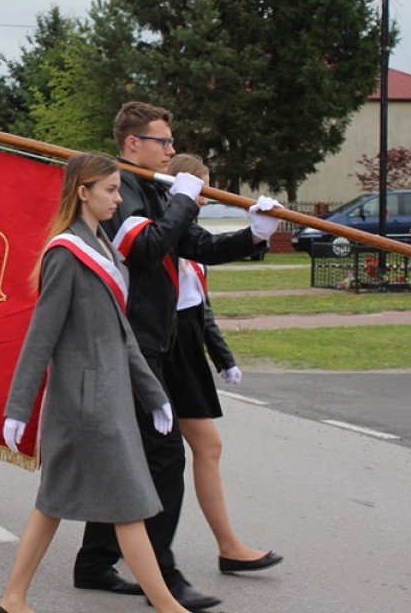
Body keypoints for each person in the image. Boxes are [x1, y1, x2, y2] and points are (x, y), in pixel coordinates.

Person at [72, 101, 279, 611]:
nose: (170, 149)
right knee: (164, 456)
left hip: (156, 341)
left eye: (170, 141)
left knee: (135, 454)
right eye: (162, 141)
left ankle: (95, 562)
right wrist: (184, 198)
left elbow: (197, 246)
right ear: (133, 143)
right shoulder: (119, 190)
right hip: (127, 345)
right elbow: (146, 250)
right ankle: (160, 576)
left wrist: (255, 234)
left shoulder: (157, 190)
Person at [0, 153, 189, 613]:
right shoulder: (66, 252)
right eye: (110, 190)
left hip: (108, 399)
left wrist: (153, 395)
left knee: (52, 504)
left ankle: (12, 599)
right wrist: (18, 407)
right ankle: (170, 607)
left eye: (119, 189)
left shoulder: (102, 247)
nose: (118, 199)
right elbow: (41, 335)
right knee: (129, 505)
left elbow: (121, 336)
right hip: (87, 407)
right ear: (83, 192)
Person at [165, 153, 283, 573]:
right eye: (203, 187)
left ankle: (224, 545)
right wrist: (253, 235)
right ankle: (225, 546)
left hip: (186, 347)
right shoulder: (168, 223)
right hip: (166, 347)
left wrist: (223, 358)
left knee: (198, 449)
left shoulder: (185, 227)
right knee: (191, 449)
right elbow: (203, 251)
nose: (206, 196)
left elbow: (201, 308)